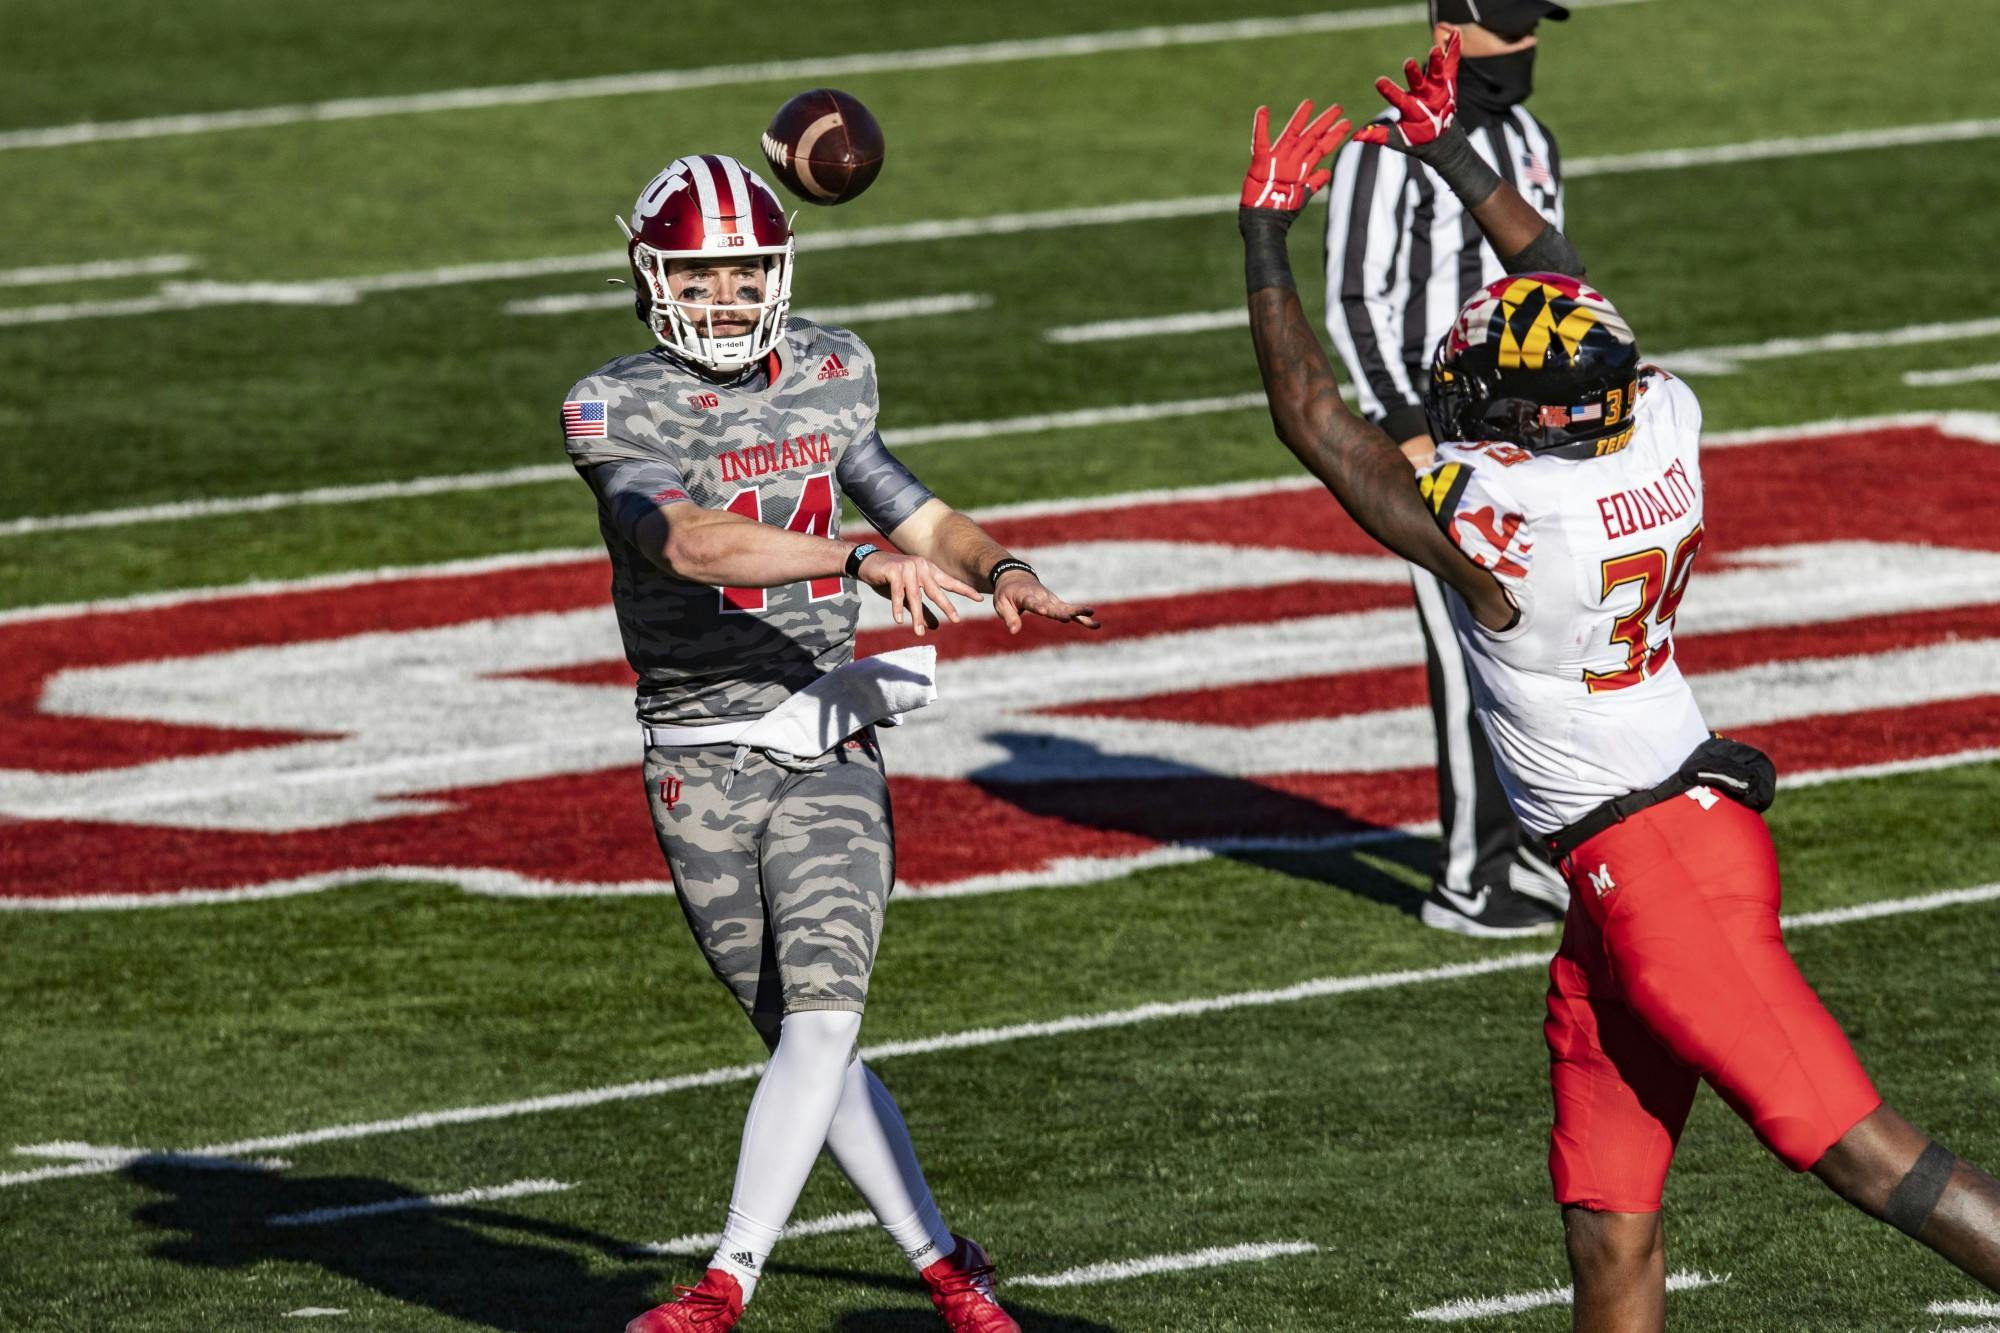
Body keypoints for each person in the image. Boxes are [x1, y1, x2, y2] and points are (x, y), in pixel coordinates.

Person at [1236, 39, 2000, 1330]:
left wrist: (1263, 238)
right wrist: (1454, 156)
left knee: (1859, 1146)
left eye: (1480, 390)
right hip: (1628, 868)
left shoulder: (1512, 530)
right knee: (1606, 1216)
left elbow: (1316, 420)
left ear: (1530, 420)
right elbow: (1559, 283)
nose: (1459, 401)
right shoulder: (1656, 419)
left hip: (1661, 874)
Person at [563, 152, 1098, 1333]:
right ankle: (950, 1266)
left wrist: (998, 566)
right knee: (810, 1047)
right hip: (693, 745)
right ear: (649, 279)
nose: (725, 298)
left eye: (745, 272)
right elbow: (690, 544)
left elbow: (906, 503)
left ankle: (724, 1283)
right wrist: (854, 560)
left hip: (823, 722)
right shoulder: (613, 403)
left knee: (822, 1018)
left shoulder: (831, 368)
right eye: (698, 279)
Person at [1324, 0, 1571, 937]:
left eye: (1533, 24)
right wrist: (1401, 428)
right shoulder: (1386, 143)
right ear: (1449, 33)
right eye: (1507, 26)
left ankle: (1534, 845)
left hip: (1538, 437)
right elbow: (1355, 293)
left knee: (1542, 647)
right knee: (1471, 651)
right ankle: (1470, 874)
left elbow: (1557, 279)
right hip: (1446, 437)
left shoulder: (1534, 136)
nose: (1528, 43)